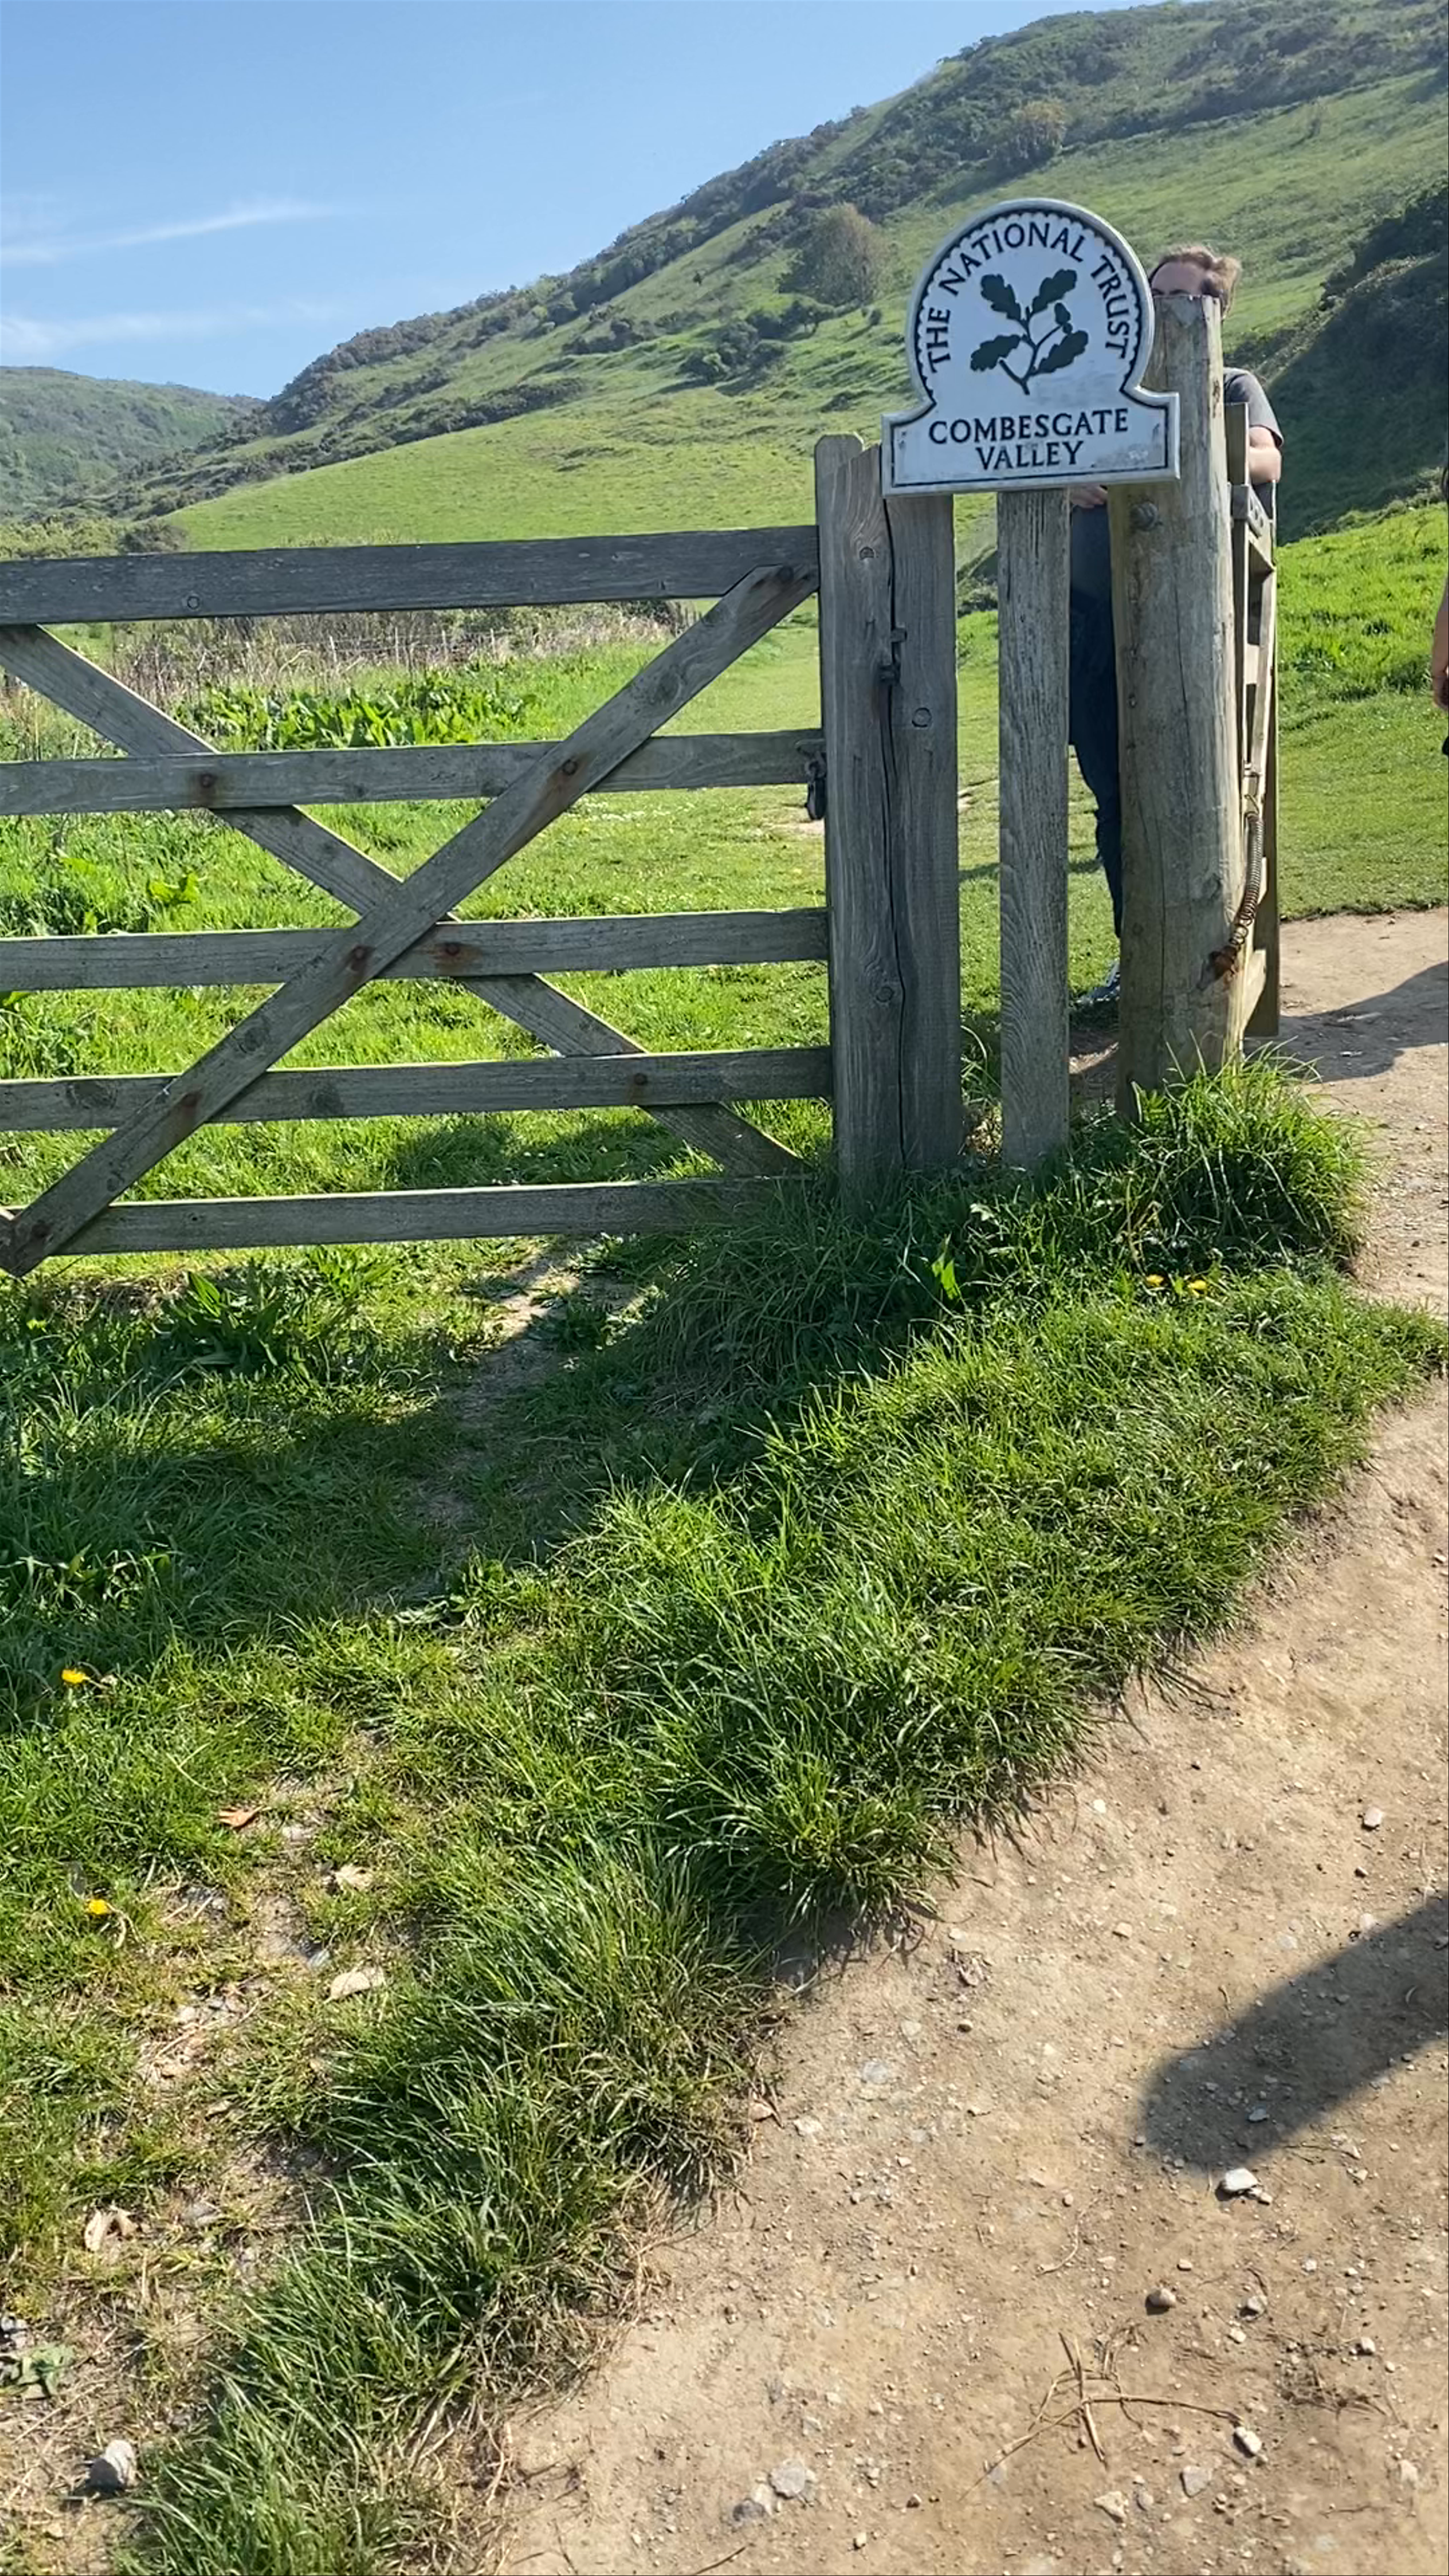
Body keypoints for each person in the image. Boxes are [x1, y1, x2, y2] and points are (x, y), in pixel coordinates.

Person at [1068, 245, 1284, 1010]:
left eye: (1185, 296)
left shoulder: (1231, 384)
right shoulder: (1107, 391)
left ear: (1215, 308)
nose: (1165, 307)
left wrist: (1186, 448)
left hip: (1194, 626)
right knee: (1115, 798)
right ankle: (1138, 960)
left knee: (1209, 790)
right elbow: (1054, 461)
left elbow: (1264, 460)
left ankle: (1207, 969)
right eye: (1155, 294)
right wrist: (1075, 474)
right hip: (1094, 630)